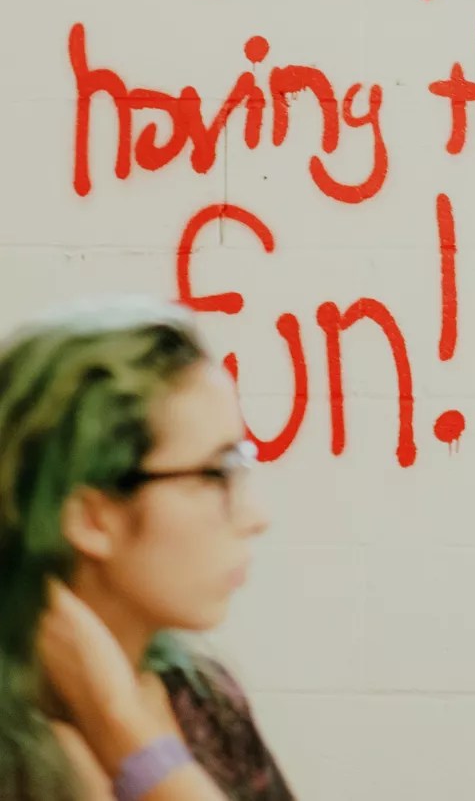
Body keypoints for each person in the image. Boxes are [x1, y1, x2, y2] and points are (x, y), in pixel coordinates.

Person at [0, 294, 295, 801]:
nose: (255, 518)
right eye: (214, 474)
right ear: (91, 518)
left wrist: (125, 730)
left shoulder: (202, 700)